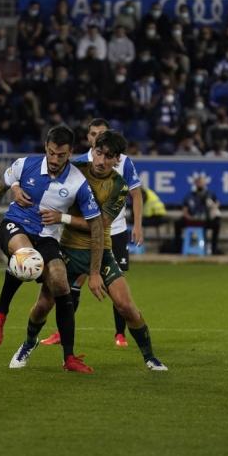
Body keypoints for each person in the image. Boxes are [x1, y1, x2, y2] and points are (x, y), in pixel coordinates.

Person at [9, 130, 167, 372]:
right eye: (99, 153)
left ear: (117, 160)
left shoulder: (119, 186)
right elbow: (39, 170)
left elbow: (100, 225)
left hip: (99, 251)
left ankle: (150, 356)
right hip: (65, 250)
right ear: (92, 150)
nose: (102, 161)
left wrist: (62, 217)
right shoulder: (74, 169)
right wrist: (16, 185)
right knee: (43, 304)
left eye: (109, 156)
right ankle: (28, 344)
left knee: (126, 307)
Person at [0, 125, 106, 372]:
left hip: (47, 237)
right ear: (46, 148)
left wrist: (95, 270)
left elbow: (96, 225)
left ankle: (69, 358)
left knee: (60, 282)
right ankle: (0, 314)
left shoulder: (78, 182)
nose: (55, 159)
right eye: (51, 153)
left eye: (61, 155)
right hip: (15, 225)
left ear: (70, 153)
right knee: (28, 257)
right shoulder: (25, 165)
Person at [39, 118, 144, 348]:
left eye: (101, 133)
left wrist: (137, 225)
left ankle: (120, 333)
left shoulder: (123, 162)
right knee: (71, 283)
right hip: (77, 235)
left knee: (116, 287)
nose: (97, 137)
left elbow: (135, 193)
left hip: (113, 231)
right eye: (93, 134)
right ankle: (61, 331)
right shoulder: (77, 164)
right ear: (88, 138)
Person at [174, 176, 223, 255]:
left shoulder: (210, 194)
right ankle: (177, 248)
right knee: (177, 223)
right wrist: (189, 217)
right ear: (195, 184)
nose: (200, 184)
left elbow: (217, 204)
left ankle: (214, 249)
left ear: (205, 183)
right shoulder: (190, 195)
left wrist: (213, 206)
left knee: (217, 224)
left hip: (206, 219)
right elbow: (185, 210)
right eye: (198, 182)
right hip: (192, 219)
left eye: (202, 182)